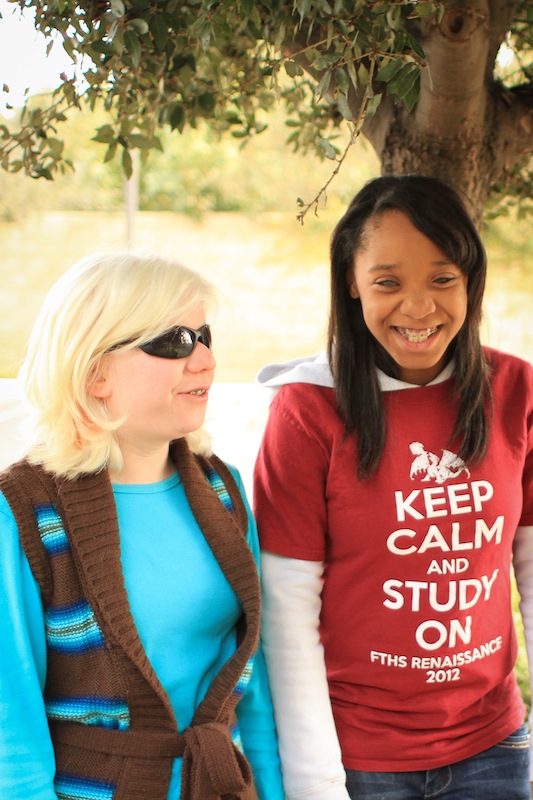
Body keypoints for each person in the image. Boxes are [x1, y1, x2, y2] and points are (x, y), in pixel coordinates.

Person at [253, 175, 533, 800]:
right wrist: (316, 781)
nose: (418, 307)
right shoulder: (307, 410)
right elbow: (287, 611)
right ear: (351, 284)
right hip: (359, 761)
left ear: (470, 281)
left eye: (442, 279)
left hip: (493, 747)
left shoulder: (514, 390)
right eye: (387, 282)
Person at [0, 251, 285, 800]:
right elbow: (10, 727)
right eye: (175, 342)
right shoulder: (24, 513)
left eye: (204, 337)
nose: (203, 360)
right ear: (93, 371)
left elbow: (257, 688)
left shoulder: (222, 489)